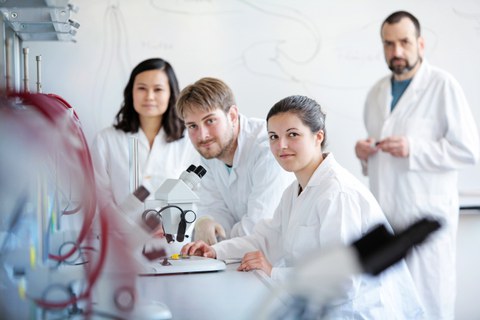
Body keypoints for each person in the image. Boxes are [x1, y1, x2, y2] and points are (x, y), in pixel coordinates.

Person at [182, 95, 424, 318]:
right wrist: (217, 252)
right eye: (274, 137)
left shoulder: (337, 193)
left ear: (318, 136)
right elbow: (266, 238)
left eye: (293, 134)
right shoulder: (295, 190)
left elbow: (342, 283)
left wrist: (272, 272)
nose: (281, 146)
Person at [354, 11, 479, 320]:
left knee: (430, 306)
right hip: (385, 222)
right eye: (389, 44)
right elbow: (381, 161)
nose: (396, 52)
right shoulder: (375, 93)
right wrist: (365, 154)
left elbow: (469, 151)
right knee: (389, 306)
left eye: (405, 42)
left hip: (426, 222)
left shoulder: (442, 86)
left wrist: (414, 148)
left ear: (420, 44)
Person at [175, 77, 293, 244]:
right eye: (192, 126)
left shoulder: (267, 150)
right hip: (240, 256)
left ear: (232, 115)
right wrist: (206, 221)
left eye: (210, 121)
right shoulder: (210, 152)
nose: (202, 135)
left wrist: (219, 241)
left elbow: (258, 228)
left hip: (277, 260)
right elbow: (213, 209)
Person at [91, 58, 199, 209]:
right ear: (131, 92)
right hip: (119, 232)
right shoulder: (106, 140)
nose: (149, 96)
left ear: (171, 94)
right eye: (142, 88)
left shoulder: (188, 141)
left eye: (158, 89)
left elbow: (196, 199)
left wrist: (169, 229)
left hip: (172, 231)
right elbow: (100, 200)